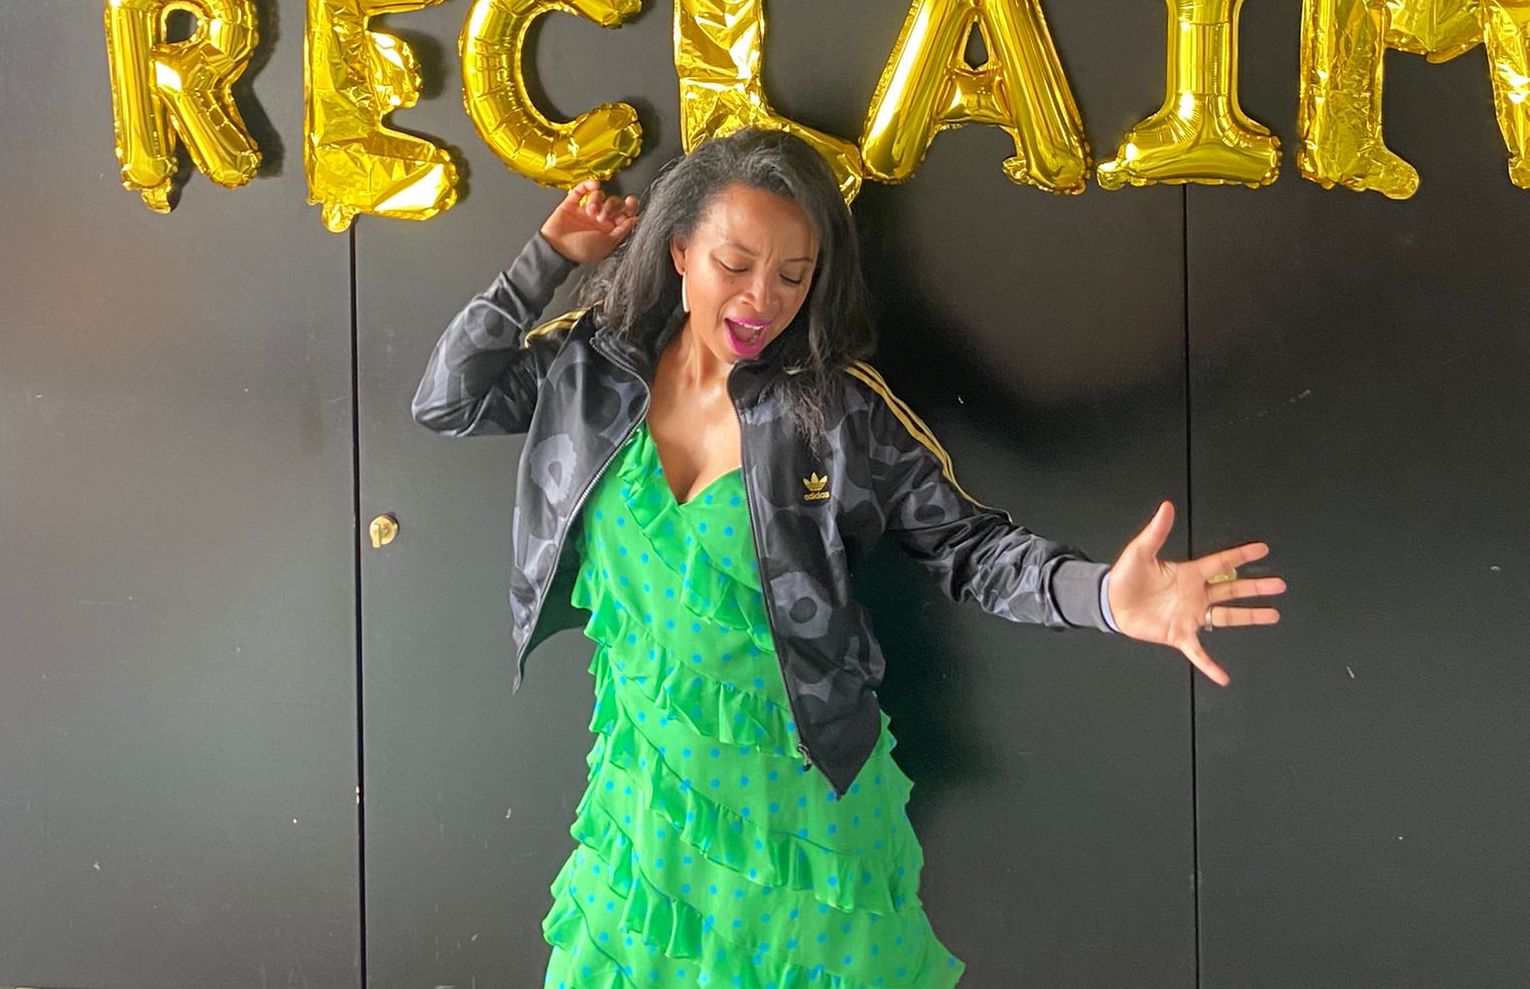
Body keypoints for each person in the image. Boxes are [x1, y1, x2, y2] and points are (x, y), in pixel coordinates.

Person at [411, 128, 1285, 988]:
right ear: (678, 251)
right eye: (736, 263)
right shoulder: (590, 367)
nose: (763, 298)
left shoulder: (837, 411)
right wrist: (547, 255)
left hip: (805, 817)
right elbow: (448, 398)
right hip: (649, 804)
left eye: (794, 275)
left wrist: (1104, 595)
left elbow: (970, 545)